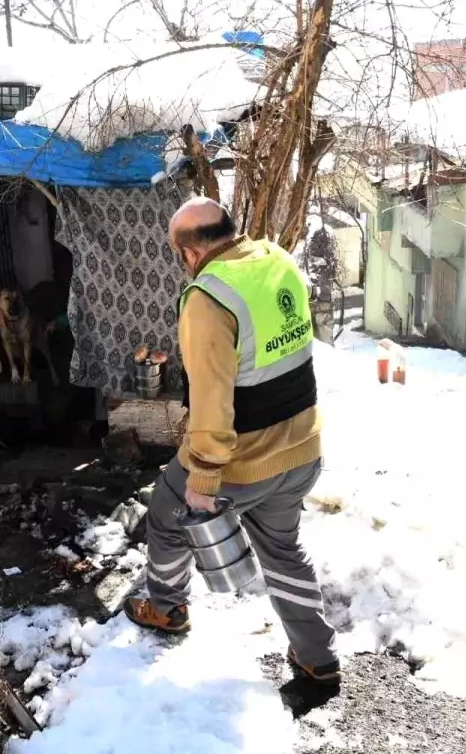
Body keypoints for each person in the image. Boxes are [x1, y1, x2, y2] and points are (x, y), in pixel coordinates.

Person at [123, 195, 339, 682]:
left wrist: (203, 473)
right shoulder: (276, 259)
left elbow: (212, 400)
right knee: (282, 550)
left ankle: (169, 609)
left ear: (190, 254)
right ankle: (317, 656)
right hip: (303, 446)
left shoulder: (207, 298)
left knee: (165, 515)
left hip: (244, 460)